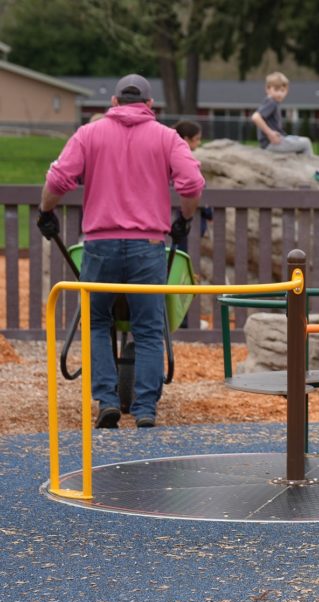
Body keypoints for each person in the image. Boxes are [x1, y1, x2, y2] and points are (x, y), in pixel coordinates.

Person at [37, 74, 205, 429]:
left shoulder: (90, 134)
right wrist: (184, 218)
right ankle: (145, 408)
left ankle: (107, 401)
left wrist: (46, 210)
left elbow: (58, 178)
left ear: (113, 102)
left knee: (97, 322)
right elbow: (192, 181)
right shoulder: (166, 137)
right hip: (148, 245)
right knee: (148, 327)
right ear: (148, 106)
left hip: (100, 244)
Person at [251, 72, 313, 155]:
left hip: (274, 141)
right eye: (276, 90)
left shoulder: (268, 102)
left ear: (287, 91)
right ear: (267, 89)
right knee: (306, 143)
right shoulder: (271, 103)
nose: (280, 94)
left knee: (296, 140)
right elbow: (255, 117)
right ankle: (311, 168)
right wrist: (270, 134)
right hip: (271, 144)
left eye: (282, 90)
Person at [172, 120, 214, 242]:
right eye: (197, 138)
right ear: (185, 139)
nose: (199, 142)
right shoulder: (186, 161)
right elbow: (195, 184)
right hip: (186, 220)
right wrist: (209, 213)